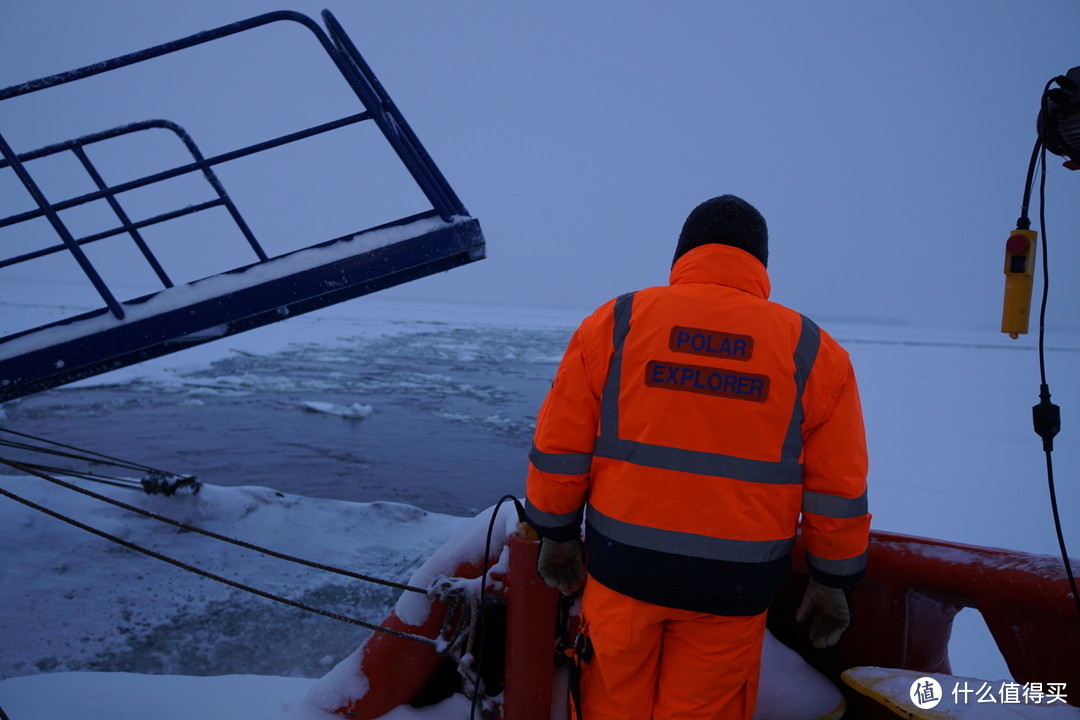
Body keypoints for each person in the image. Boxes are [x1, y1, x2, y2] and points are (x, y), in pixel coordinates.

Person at [523, 195, 871, 720]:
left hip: (623, 568)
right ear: (760, 263)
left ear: (683, 254)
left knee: (609, 706)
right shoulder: (814, 351)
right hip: (733, 587)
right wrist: (832, 579)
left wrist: (556, 532)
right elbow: (837, 487)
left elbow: (560, 447)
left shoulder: (617, 323)